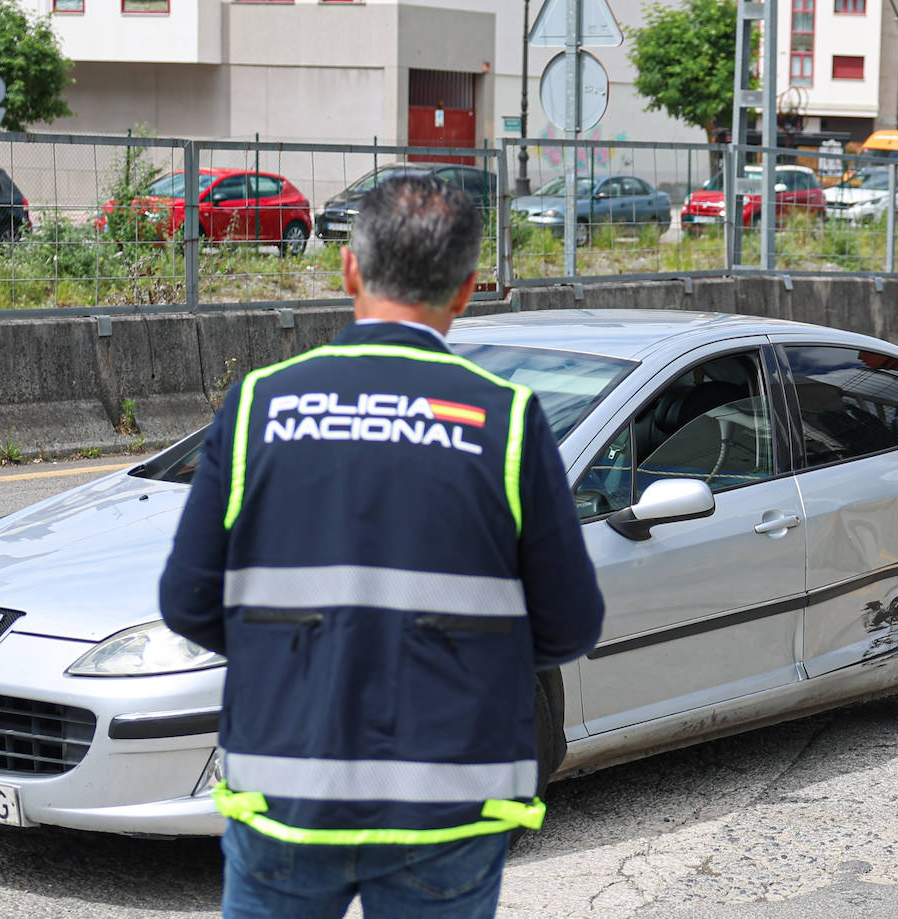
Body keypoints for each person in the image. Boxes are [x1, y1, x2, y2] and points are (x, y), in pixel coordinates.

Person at [159, 173, 605, 919]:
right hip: (451, 795)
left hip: (285, 782)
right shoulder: (507, 420)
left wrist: (290, 652)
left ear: (350, 270)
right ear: (466, 290)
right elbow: (570, 624)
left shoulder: (259, 405)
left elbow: (188, 601)